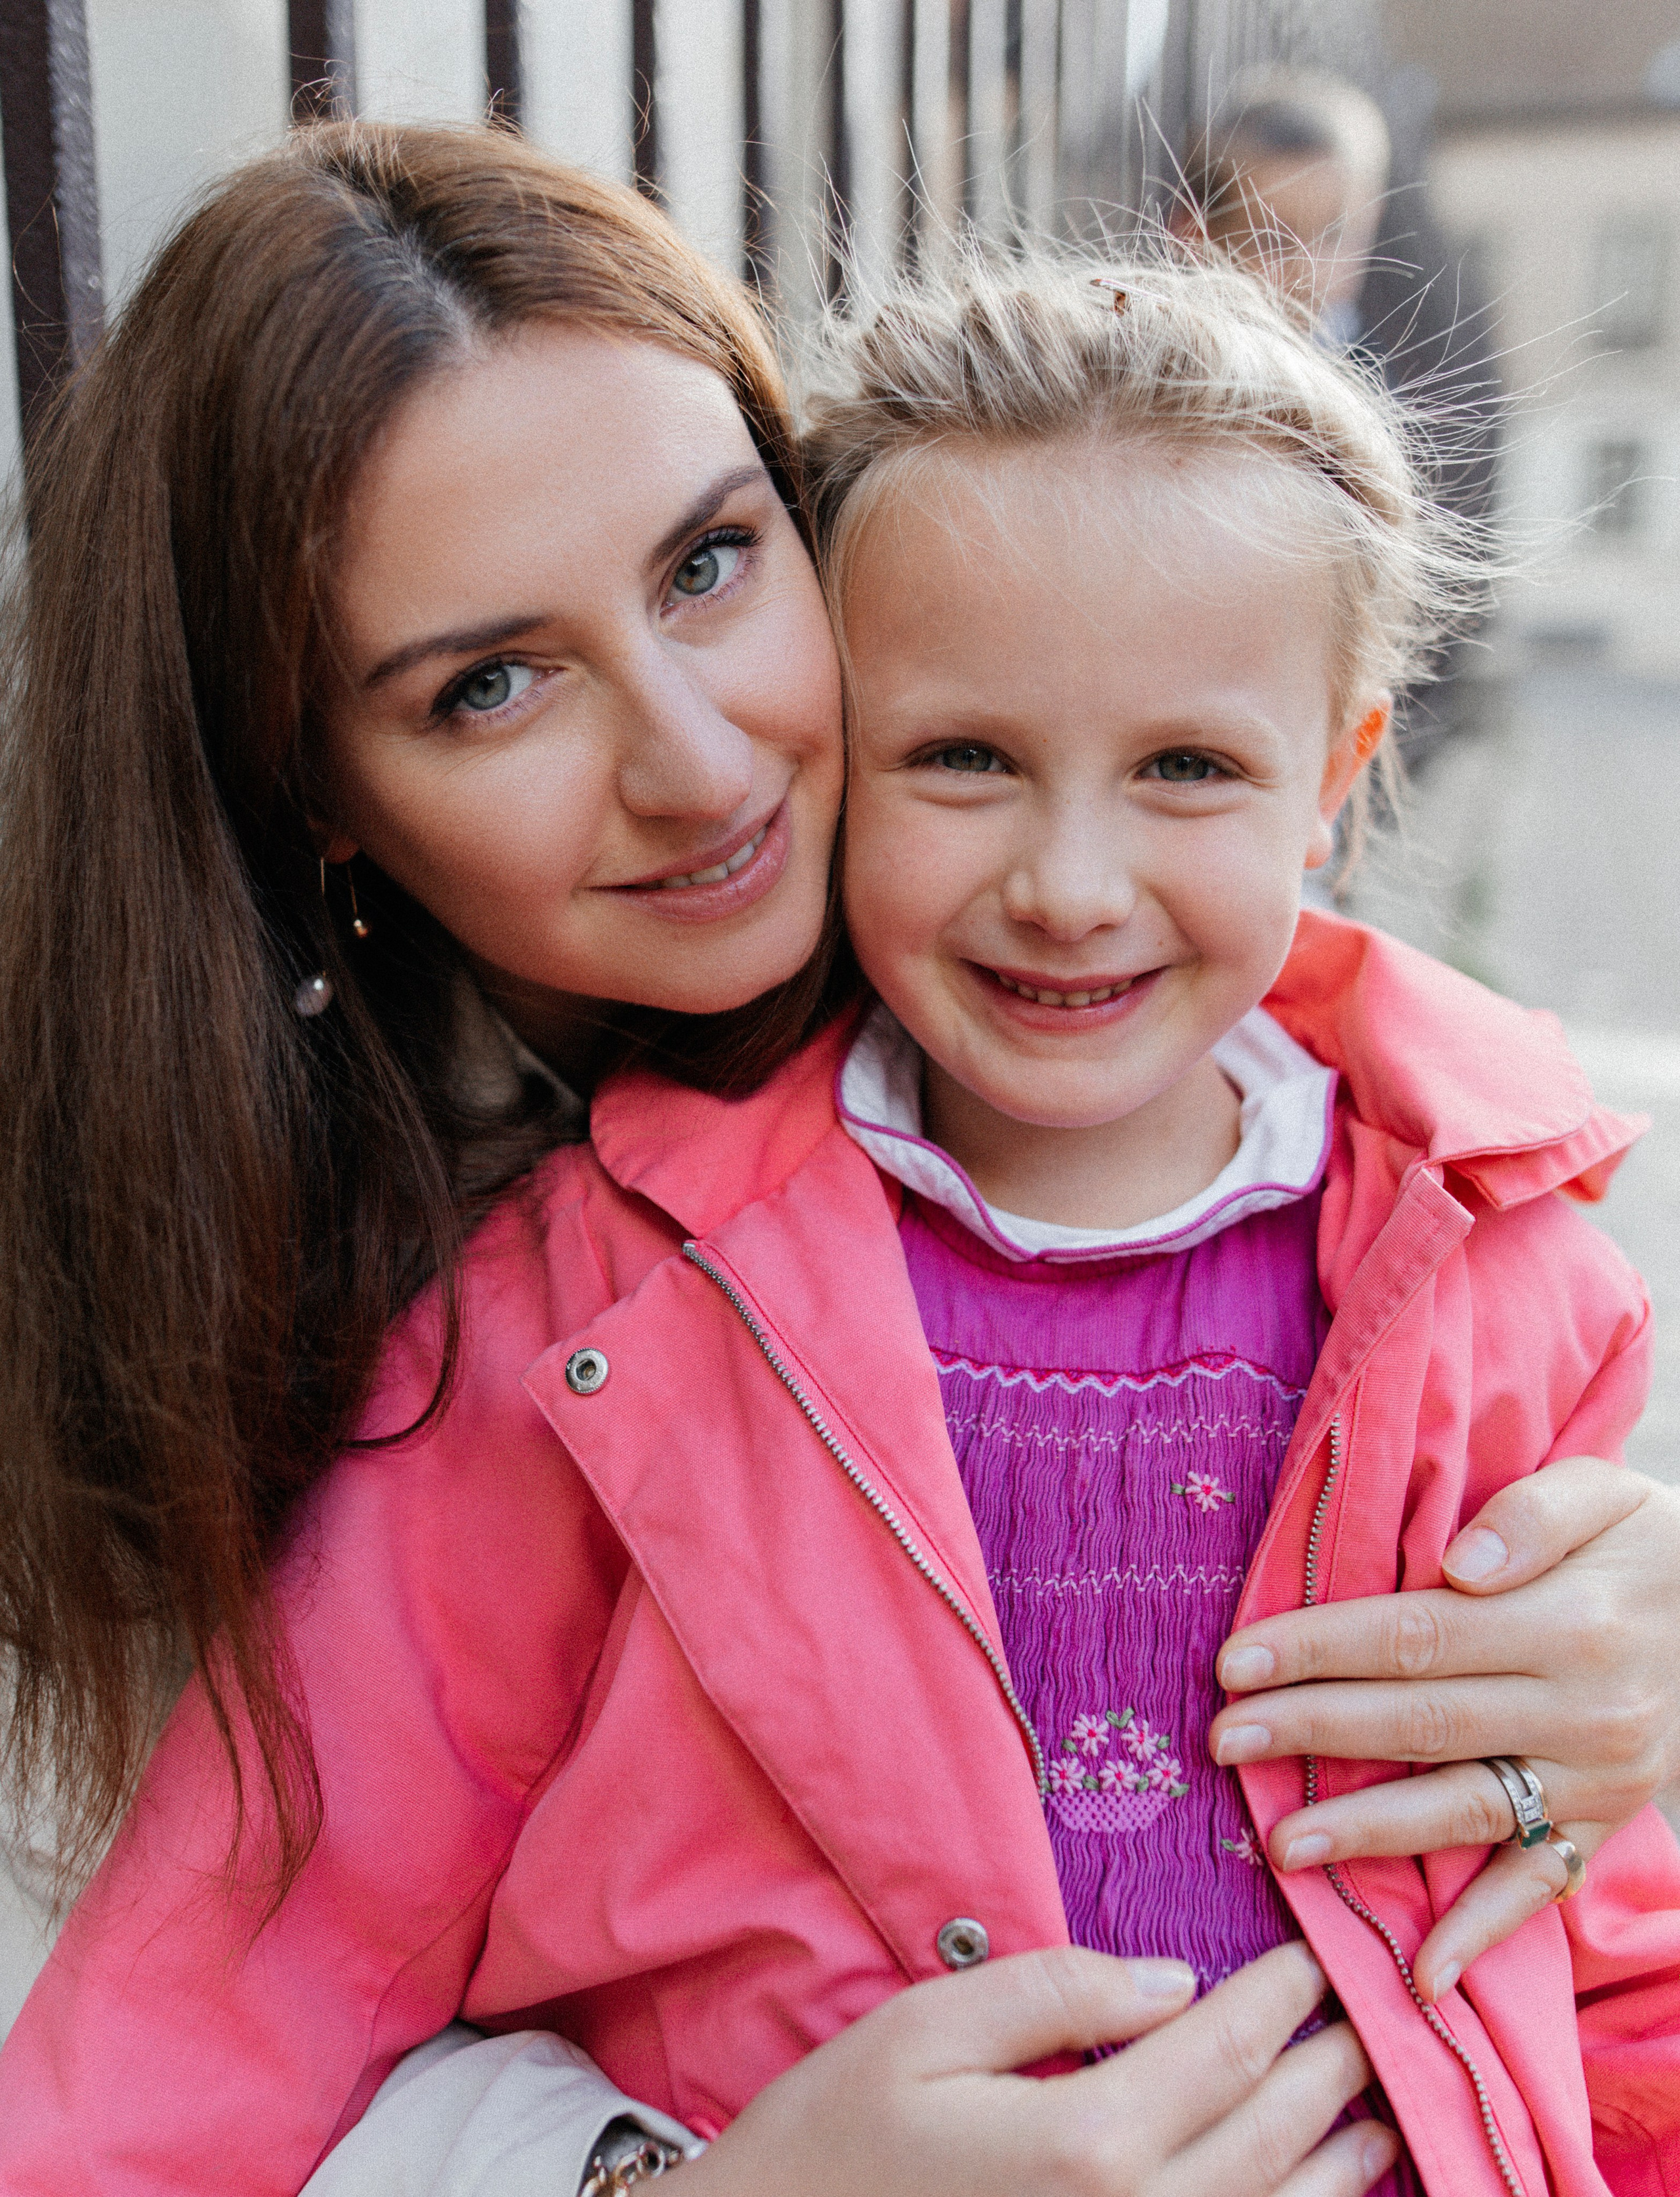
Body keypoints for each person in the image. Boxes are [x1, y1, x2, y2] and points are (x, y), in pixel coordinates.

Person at [0, 122, 1677, 2197]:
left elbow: (1594, 1964)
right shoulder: (499, 1314)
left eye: (710, 559)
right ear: (309, 794)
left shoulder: (1412, 1196)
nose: (701, 766)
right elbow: (165, 2089)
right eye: (488, 683)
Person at [1175, 66, 1502, 771]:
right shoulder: (1168, 377)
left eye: (1333, 236)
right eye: (1270, 240)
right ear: (1193, 235)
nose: (1306, 270)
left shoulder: (1367, 380)